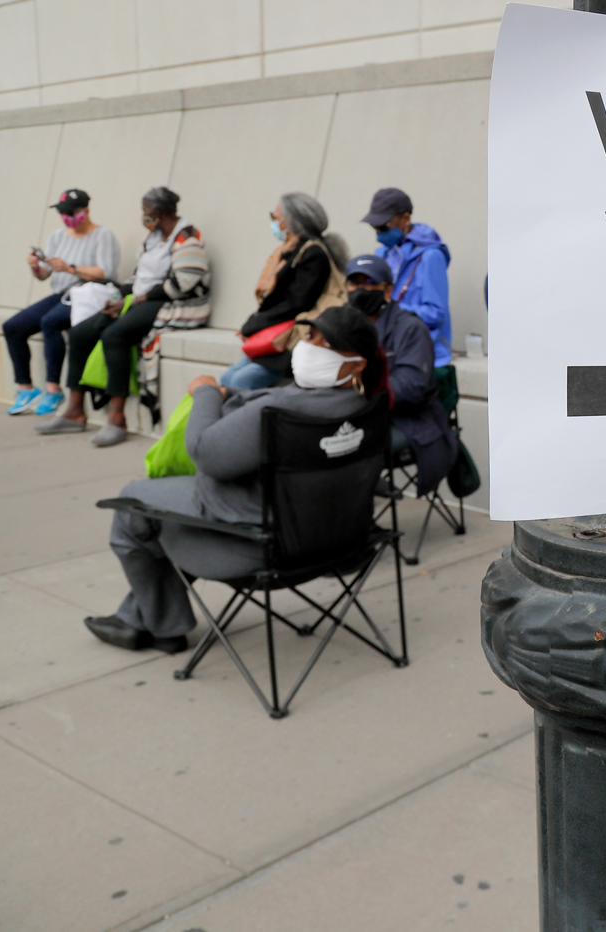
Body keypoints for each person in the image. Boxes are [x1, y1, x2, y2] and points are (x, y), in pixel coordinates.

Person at [84, 306, 387, 653]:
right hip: (339, 541)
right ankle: (139, 618)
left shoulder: (276, 414)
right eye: (310, 335)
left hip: (263, 548)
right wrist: (234, 395)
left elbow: (206, 454)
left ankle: (162, 626)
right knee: (163, 518)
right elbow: (282, 400)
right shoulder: (366, 410)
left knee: (134, 504)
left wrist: (206, 393)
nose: (309, 344)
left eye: (325, 342)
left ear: (358, 363)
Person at [37, 187, 209, 446]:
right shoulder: (153, 237)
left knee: (114, 335)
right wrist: (120, 296)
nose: (143, 216)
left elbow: (183, 283)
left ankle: (117, 419)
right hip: (141, 299)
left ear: (158, 213)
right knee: (79, 333)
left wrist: (140, 298)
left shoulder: (187, 238)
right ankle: (74, 411)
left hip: (172, 303)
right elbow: (139, 276)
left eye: (145, 210)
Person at [345, 254, 458, 492]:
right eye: (355, 283)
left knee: (347, 446)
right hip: (349, 414)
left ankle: (359, 516)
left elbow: (411, 385)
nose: (361, 289)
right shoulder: (340, 325)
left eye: (370, 283)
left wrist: (359, 396)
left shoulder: (410, 328)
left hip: (407, 420)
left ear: (388, 289)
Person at [3, 189, 119, 416]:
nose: (66, 217)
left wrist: (70, 268)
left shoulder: (103, 235)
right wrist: (35, 266)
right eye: (62, 212)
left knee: (51, 322)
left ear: (86, 210)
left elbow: (105, 272)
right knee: (12, 327)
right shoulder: (57, 236)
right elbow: (44, 275)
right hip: (61, 294)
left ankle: (53, 389)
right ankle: (25, 388)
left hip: (89, 294)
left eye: (70, 212)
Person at [221, 193, 348, 390]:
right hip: (275, 336)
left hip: (290, 340)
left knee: (239, 382)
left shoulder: (313, 254)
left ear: (292, 221)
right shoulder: (292, 251)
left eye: (276, 216)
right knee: (227, 379)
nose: (274, 222)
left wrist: (252, 325)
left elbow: (296, 302)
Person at [365, 188, 452, 367]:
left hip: (422, 354)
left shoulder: (430, 256)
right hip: (386, 348)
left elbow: (436, 314)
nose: (378, 232)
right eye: (375, 226)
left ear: (405, 218)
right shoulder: (382, 253)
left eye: (384, 225)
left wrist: (389, 311)